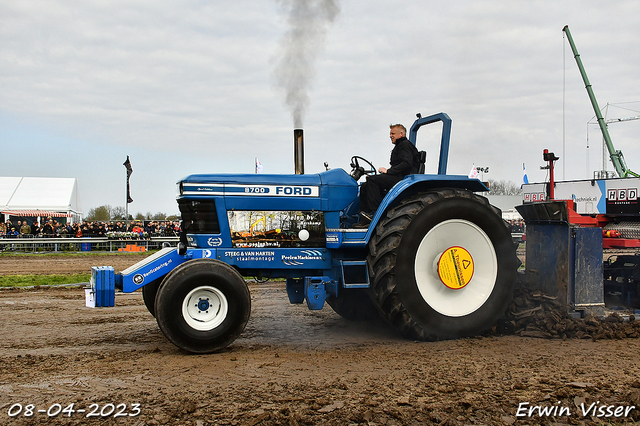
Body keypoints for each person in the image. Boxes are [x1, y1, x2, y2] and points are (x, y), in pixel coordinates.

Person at [355, 124, 421, 227]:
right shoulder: (399, 147)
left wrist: (388, 172)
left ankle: (374, 214)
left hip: (403, 178)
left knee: (373, 181)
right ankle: (364, 217)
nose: (390, 136)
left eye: (393, 133)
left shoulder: (405, 145)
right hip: (397, 175)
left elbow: (407, 164)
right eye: (390, 133)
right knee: (365, 185)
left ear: (401, 134)